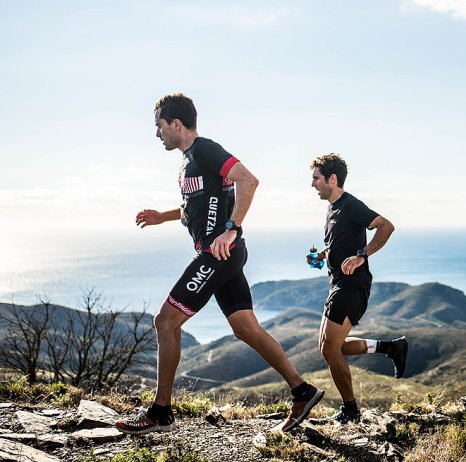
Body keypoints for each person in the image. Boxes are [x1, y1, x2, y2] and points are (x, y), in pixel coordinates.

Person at [116, 93, 322, 435]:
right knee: (245, 328)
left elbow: (248, 180)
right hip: (225, 255)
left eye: (159, 126)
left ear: (176, 124)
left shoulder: (205, 150)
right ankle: (302, 391)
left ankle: (160, 411)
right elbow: (195, 208)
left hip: (218, 253)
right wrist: (162, 217)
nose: (157, 134)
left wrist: (232, 228)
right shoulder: (188, 163)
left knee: (165, 323)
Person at [308, 153, 406, 424]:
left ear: (332, 179)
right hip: (339, 283)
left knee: (329, 350)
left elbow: (386, 226)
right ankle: (388, 347)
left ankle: (350, 410)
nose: (312, 184)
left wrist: (363, 254)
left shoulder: (351, 205)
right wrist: (322, 257)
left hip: (352, 286)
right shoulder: (332, 209)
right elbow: (338, 244)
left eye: (316, 178)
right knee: (329, 348)